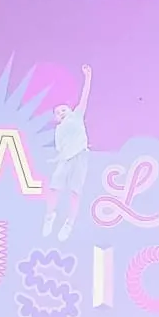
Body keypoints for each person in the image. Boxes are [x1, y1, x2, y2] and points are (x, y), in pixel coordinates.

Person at [42, 64, 92, 242]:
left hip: (80, 157)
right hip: (65, 160)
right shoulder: (59, 131)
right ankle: (49, 216)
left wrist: (88, 77)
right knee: (54, 188)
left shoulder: (76, 116)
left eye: (63, 109)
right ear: (56, 118)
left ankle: (69, 223)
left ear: (70, 110)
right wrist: (57, 159)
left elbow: (84, 97)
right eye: (58, 112)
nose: (61, 112)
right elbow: (61, 149)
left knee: (75, 192)